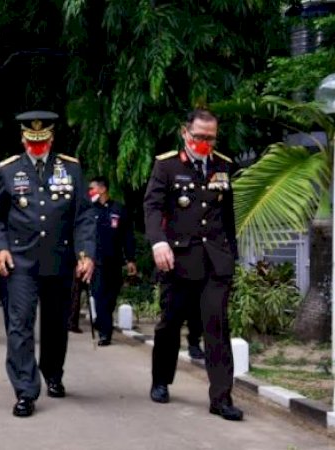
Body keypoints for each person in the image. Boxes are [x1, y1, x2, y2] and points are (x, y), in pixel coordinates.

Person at [0, 110, 95, 418]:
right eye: (31, 141)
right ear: (22, 138)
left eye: (42, 141)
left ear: (51, 138)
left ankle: (53, 372)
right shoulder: (8, 170)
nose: (36, 146)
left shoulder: (71, 169)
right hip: (20, 261)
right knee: (19, 324)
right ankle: (25, 390)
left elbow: (84, 215)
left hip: (60, 258)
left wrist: (86, 252)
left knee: (56, 323)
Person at [143, 108, 243, 421]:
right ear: (185, 133)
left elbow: (227, 217)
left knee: (217, 326)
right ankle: (161, 380)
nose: (204, 142)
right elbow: (152, 206)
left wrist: (232, 255)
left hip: (215, 262)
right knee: (169, 325)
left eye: (210, 138)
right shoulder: (167, 165)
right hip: (178, 260)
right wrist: (158, 242)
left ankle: (221, 398)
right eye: (198, 136)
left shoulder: (223, 166)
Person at [88, 176, 137, 346]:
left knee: (111, 297)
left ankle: (103, 320)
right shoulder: (89, 210)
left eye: (92, 188)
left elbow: (127, 236)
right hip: (96, 262)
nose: (90, 192)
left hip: (114, 261)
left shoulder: (119, 209)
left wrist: (130, 259)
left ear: (102, 189)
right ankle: (104, 333)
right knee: (99, 295)